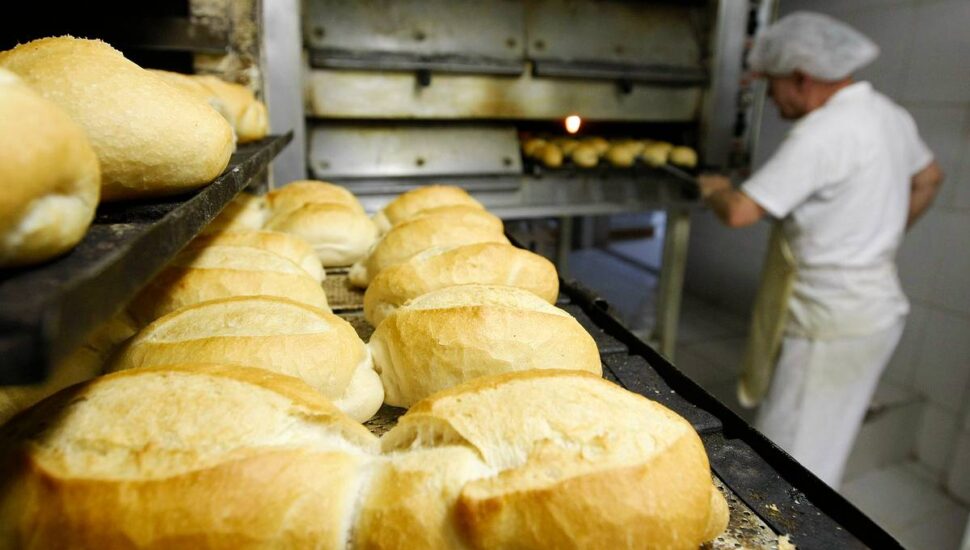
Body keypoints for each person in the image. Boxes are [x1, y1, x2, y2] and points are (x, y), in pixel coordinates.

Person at [698, 12, 944, 487]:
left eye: (773, 86)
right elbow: (930, 178)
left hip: (828, 325)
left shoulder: (823, 132)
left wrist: (713, 187)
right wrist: (879, 238)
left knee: (788, 466)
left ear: (802, 77)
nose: (772, 100)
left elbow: (740, 212)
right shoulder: (887, 113)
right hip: (875, 311)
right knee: (825, 443)